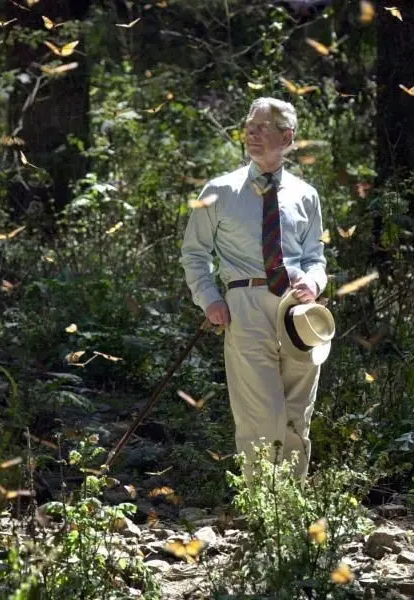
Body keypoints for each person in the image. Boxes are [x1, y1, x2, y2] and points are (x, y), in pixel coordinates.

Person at [180, 97, 329, 480]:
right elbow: (194, 253)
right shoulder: (220, 190)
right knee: (260, 413)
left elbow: (315, 257)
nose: (252, 132)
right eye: (250, 125)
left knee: (298, 413)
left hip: (299, 312)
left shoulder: (305, 195)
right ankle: (261, 507)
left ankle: (290, 512)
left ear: (288, 137)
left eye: (263, 127)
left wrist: (312, 282)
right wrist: (210, 299)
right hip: (245, 305)